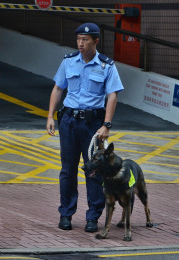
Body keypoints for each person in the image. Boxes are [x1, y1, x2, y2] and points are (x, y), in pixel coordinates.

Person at [46, 22, 124, 232]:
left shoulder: (106, 66)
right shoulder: (69, 62)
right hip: (69, 121)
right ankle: (66, 214)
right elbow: (58, 88)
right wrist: (50, 116)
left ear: (96, 41)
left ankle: (93, 217)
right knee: (67, 170)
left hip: (92, 125)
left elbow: (112, 95)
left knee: (94, 171)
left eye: (85, 40)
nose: (80, 43)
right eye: (78, 39)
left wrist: (106, 124)